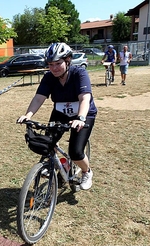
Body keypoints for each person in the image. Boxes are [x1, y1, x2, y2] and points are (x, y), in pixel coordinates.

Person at [17, 43, 97, 190]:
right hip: (61, 112)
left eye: (58, 63)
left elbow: (84, 98)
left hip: (83, 114)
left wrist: (80, 118)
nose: (54, 68)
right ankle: (63, 164)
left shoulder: (79, 74)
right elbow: (39, 98)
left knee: (76, 152)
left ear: (68, 61)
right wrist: (27, 115)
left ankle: (86, 172)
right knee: (48, 143)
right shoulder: (49, 77)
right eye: (50, 64)